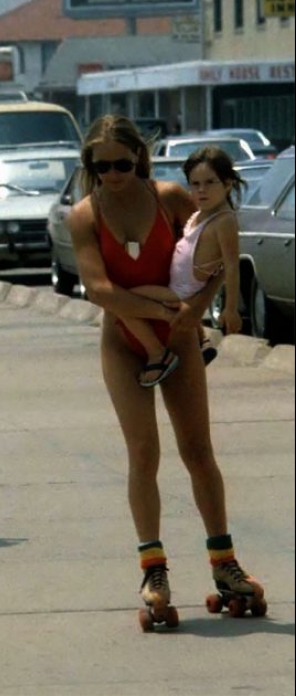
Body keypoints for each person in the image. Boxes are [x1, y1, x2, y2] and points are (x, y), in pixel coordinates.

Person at [67, 115, 265, 628]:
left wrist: (194, 314)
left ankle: (224, 563)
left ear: (139, 157)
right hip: (123, 343)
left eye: (122, 163)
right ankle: (153, 570)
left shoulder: (171, 198)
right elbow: (99, 290)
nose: (113, 173)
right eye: (101, 165)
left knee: (199, 451)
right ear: (89, 165)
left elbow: (215, 262)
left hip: (182, 337)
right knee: (143, 453)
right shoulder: (84, 215)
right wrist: (163, 313)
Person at [117, 146, 246, 387]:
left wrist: (231, 309)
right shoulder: (200, 214)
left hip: (179, 292)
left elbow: (231, 265)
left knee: (122, 300)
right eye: (195, 184)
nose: (201, 190)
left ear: (227, 184)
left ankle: (158, 354)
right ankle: (201, 340)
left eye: (210, 182)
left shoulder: (224, 220)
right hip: (175, 284)